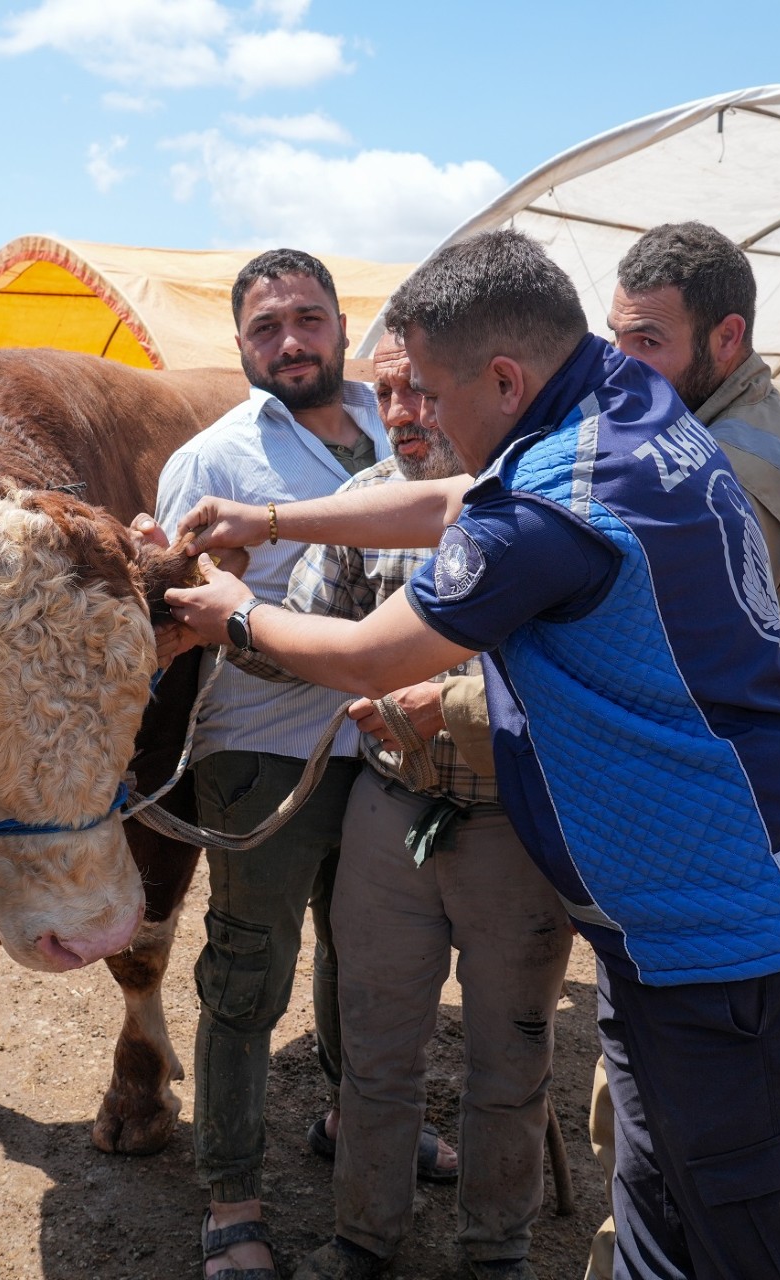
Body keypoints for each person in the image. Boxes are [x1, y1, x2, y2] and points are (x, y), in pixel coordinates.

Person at [163, 229, 780, 1280]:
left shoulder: (552, 504)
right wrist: (273, 513)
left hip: (736, 950)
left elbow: (371, 653)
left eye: (437, 396)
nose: (422, 421)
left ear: (504, 378)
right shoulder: (626, 411)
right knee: (666, 1219)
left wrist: (235, 615)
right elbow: (457, 499)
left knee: (758, 1243)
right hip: (684, 938)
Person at [569, 221, 780, 1278]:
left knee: (721, 1181)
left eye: (646, 340)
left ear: (727, 336)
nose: (621, 364)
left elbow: (638, 677)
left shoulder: (721, 473)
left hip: (742, 879)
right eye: (613, 336)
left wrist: (448, 695)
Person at [265, 333, 570, 1280]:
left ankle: (496, 1255)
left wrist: (454, 692)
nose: (401, 413)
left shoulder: (545, 501)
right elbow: (315, 634)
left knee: (508, 1061)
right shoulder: (360, 512)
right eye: (386, 392)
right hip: (391, 816)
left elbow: (574, 665)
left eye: (422, 391)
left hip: (513, 828)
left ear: (483, 388)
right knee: (376, 1044)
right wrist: (208, 606)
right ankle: (364, 1237)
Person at [151, 248, 419, 1280]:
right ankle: (231, 1194)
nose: (292, 341)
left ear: (341, 325)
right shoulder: (212, 462)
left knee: (369, 953)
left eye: (308, 318)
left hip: (390, 748)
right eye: (268, 328)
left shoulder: (402, 424)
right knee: (249, 975)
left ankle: (354, 1119)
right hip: (265, 748)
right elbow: (179, 613)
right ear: (241, 345)